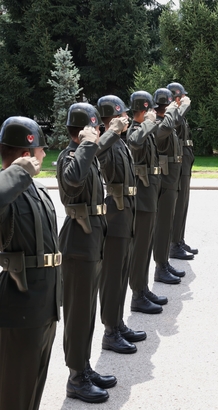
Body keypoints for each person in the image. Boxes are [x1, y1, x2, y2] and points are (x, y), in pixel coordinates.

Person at [0, 117, 61, 410]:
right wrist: (17, 173)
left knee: (33, 389)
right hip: (20, 306)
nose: (44, 155)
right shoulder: (8, 190)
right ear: (26, 155)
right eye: (39, 150)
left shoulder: (36, 190)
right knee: (15, 394)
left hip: (45, 304)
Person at [57, 103, 115, 403]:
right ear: (80, 131)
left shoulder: (87, 152)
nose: (97, 132)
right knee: (78, 314)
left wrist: (95, 141)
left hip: (92, 238)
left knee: (88, 311)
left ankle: (84, 366)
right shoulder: (70, 157)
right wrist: (87, 144)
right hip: (78, 242)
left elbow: (99, 151)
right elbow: (74, 179)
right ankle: (75, 378)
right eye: (92, 128)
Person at [95, 95, 145, 354]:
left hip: (126, 213)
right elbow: (96, 151)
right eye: (121, 115)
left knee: (122, 272)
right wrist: (112, 132)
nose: (126, 118)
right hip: (114, 214)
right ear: (112, 118)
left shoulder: (119, 141)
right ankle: (110, 331)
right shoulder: (105, 142)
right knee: (113, 275)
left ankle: (117, 323)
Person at [127, 91, 169, 313]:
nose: (154, 113)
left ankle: (142, 289)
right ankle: (137, 294)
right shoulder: (135, 130)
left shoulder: (146, 129)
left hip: (150, 192)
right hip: (142, 197)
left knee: (147, 245)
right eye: (150, 110)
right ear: (142, 111)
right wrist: (149, 123)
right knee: (141, 247)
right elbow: (134, 142)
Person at [152, 88, 189, 283]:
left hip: (171, 178)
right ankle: (160, 266)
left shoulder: (167, 121)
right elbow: (164, 129)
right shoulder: (159, 124)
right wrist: (175, 109)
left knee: (167, 224)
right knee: (163, 225)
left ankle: (164, 262)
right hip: (165, 180)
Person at [167, 82, 198, 259]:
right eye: (182, 97)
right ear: (176, 98)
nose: (185, 99)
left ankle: (179, 239)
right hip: (178, 162)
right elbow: (174, 122)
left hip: (185, 159)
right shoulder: (173, 113)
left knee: (184, 203)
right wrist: (183, 107)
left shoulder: (179, 113)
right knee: (178, 204)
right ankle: (173, 244)